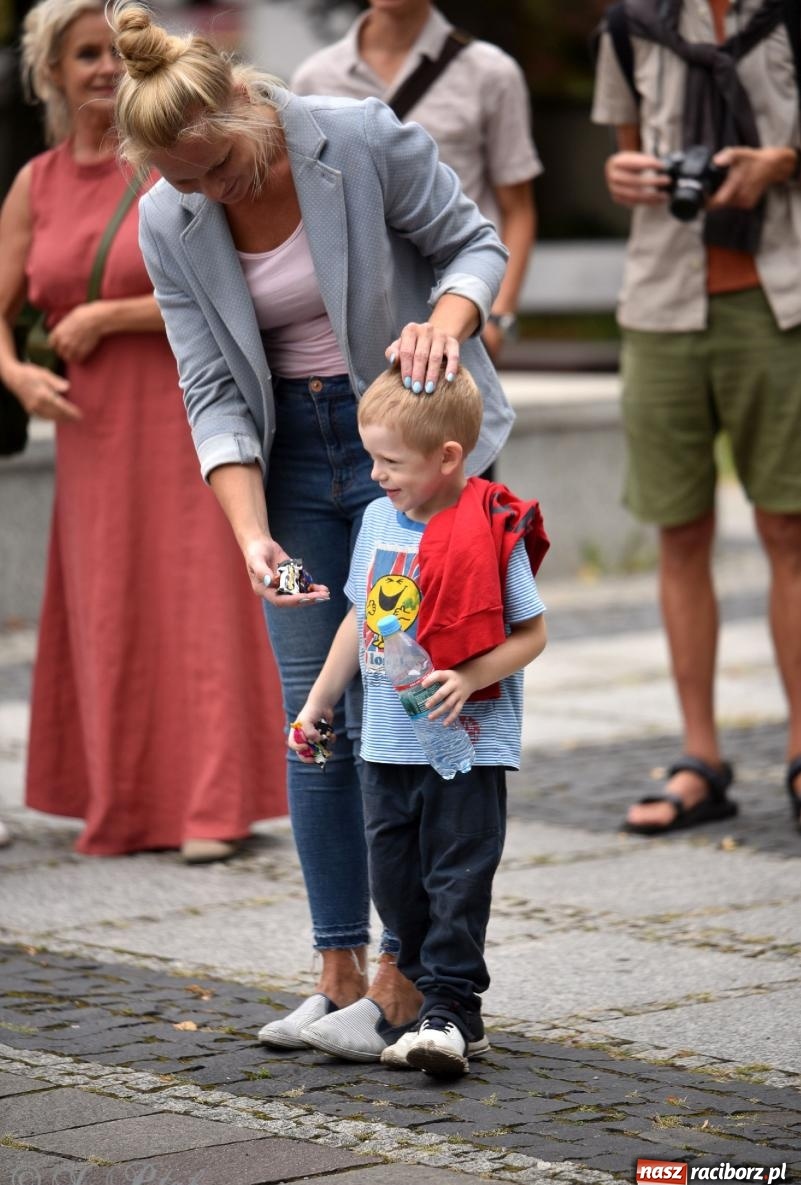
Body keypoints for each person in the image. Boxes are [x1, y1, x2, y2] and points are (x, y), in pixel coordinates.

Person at [109, 1, 515, 1054]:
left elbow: (475, 242)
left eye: (219, 170)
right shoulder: (169, 215)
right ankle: (336, 969)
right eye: (184, 181)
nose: (206, 194)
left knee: (415, 696)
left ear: (244, 101)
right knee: (315, 712)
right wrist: (252, 537)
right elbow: (210, 386)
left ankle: (408, 975)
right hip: (290, 461)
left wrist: (445, 322)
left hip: (407, 453)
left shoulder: (359, 136)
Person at [0, 0, 286, 863]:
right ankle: (121, 807)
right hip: (90, 434)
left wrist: (109, 316)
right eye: (82, 56)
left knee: (201, 603)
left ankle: (212, 807)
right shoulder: (36, 182)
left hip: (182, 413)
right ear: (50, 72)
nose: (101, 70)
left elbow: (227, 290)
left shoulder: (173, 165)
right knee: (114, 608)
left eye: (109, 54)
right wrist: (15, 372)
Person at [288, 365, 548, 1074]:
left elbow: (531, 635)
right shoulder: (376, 521)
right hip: (385, 743)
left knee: (456, 880)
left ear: (448, 458)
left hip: (464, 748)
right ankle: (428, 1002)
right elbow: (358, 617)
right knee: (395, 883)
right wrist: (319, 701)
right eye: (370, 457)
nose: (374, 475)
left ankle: (451, 1013)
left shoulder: (490, 527)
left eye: (390, 462)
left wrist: (468, 676)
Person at [592, 0, 801, 835]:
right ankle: (699, 758)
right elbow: (626, 156)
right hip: (662, 303)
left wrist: (780, 162)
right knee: (678, 531)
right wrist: (624, 176)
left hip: (778, 299)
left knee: (787, 528)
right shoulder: (627, 23)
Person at [291, 0, 540, 365]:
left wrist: (498, 317)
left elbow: (517, 208)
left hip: (455, 312)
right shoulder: (315, 78)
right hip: (350, 329)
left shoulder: (491, 72)